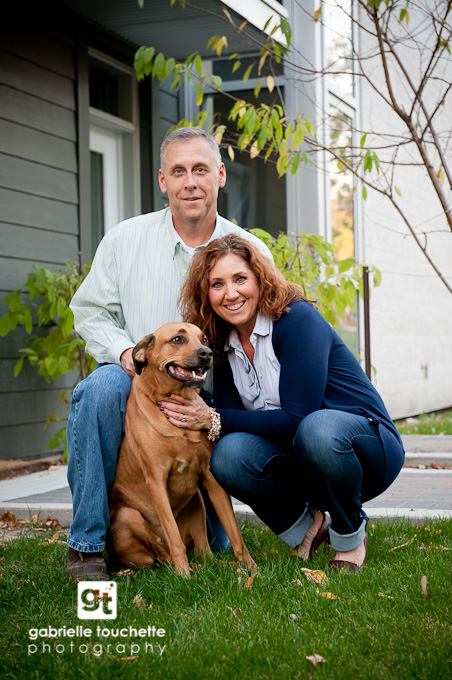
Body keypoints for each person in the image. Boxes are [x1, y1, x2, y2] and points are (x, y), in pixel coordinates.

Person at [66, 128, 271, 579]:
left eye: (200, 169)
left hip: (216, 389)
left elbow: (269, 329)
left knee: (210, 543)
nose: (190, 182)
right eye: (178, 171)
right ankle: (87, 545)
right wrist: (125, 353)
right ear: (163, 180)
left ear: (220, 175)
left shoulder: (249, 249)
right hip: (140, 379)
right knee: (98, 390)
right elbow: (88, 311)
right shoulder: (125, 239)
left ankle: (288, 516)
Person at [158, 233, 405, 572]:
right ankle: (308, 530)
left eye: (240, 279)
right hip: (303, 457)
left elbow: (296, 418)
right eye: (217, 284)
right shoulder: (223, 341)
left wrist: (212, 417)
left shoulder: (297, 320)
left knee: (317, 428)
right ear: (206, 293)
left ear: (260, 279)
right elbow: (230, 420)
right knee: (227, 455)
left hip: (365, 450)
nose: (230, 293)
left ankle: (349, 534)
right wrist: (185, 404)